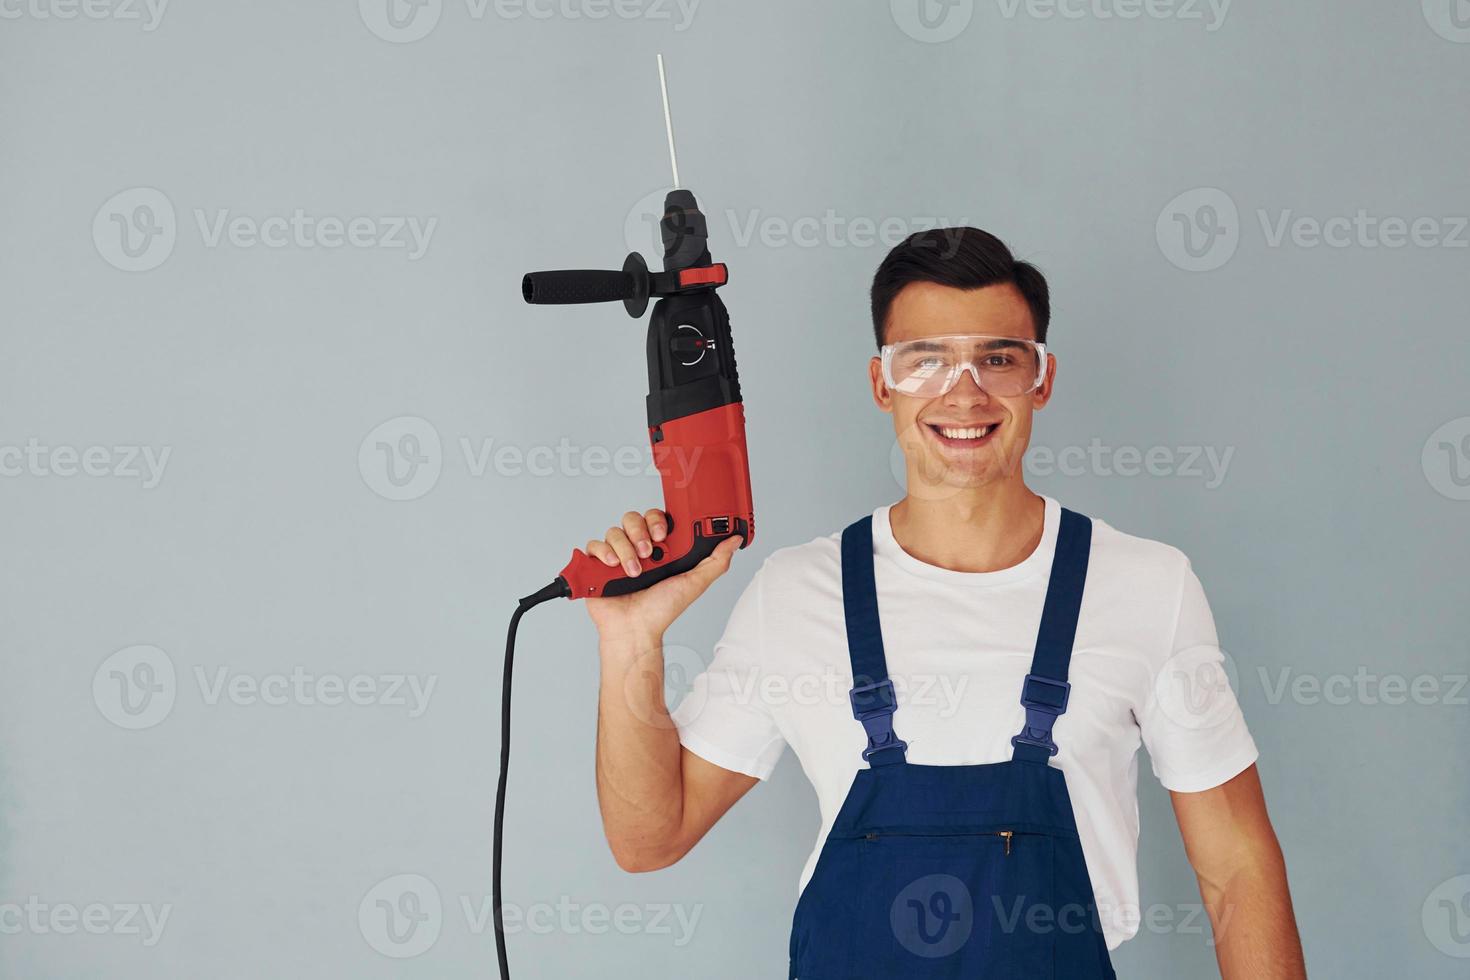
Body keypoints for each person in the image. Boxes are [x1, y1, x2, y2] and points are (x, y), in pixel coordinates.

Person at [580, 227, 1306, 978]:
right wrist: (629, 641)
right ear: (880, 383)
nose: (964, 392)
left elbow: (1237, 866)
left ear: (1042, 379)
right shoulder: (795, 595)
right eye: (925, 361)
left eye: (998, 358)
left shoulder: (1147, 586)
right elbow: (648, 840)